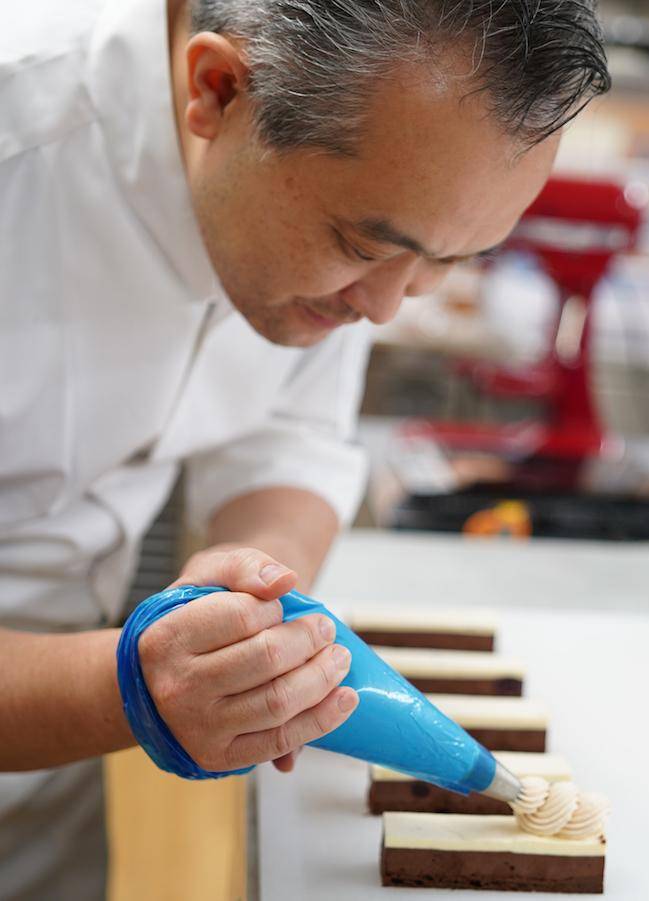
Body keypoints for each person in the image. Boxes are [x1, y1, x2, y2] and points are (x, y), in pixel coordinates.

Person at [0, 0, 610, 895]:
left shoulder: (362, 183)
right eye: (365, 245)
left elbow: (287, 439)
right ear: (218, 90)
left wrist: (257, 584)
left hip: (43, 800)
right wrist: (131, 685)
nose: (386, 307)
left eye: (449, 261)